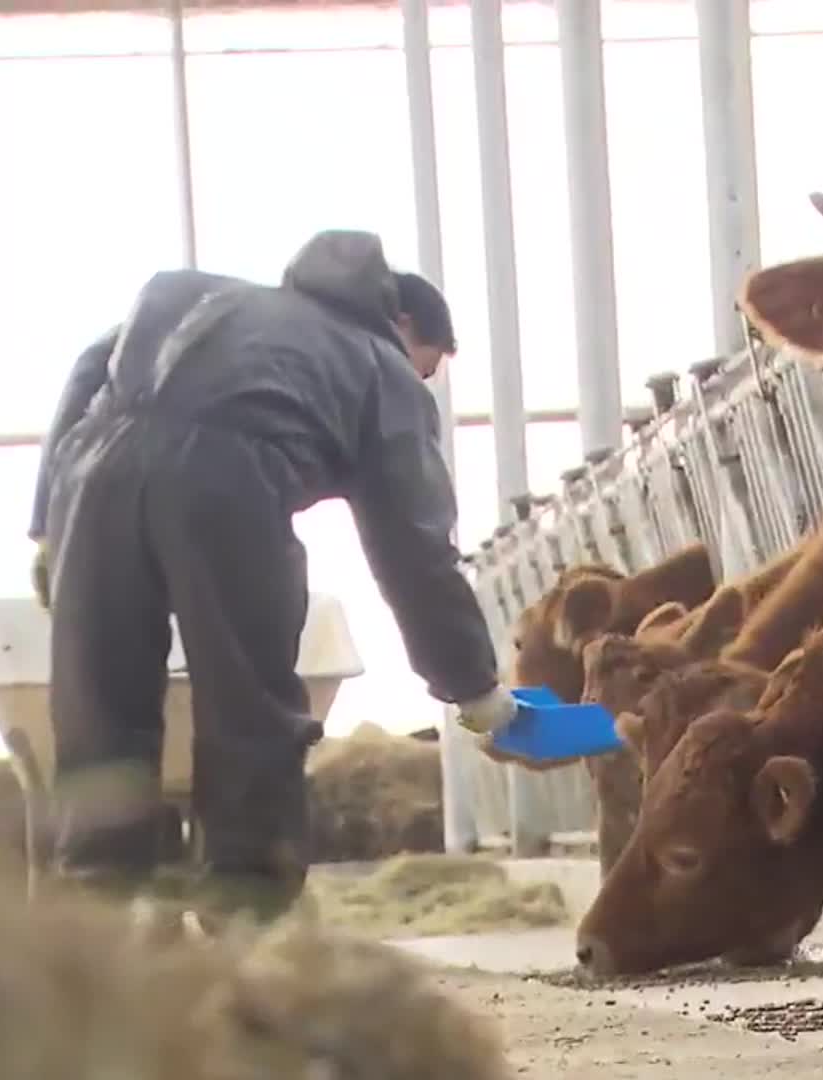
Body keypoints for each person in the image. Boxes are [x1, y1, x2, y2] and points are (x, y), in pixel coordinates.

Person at [29, 229, 519, 926]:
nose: (423, 383)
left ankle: (97, 920)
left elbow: (89, 366)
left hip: (93, 469)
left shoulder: (197, 295)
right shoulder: (378, 364)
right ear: (403, 323)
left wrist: (49, 520)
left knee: (95, 702)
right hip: (227, 478)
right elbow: (415, 551)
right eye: (429, 366)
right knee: (248, 700)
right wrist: (474, 688)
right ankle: (243, 913)